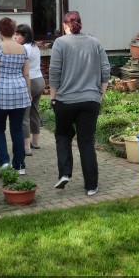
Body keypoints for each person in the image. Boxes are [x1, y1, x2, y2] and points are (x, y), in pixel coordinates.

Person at [49, 11, 110, 196]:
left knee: (63, 136)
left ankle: (64, 173)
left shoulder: (60, 43)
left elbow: (54, 72)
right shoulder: (95, 42)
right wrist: (100, 94)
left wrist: (53, 97)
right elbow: (105, 69)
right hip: (91, 100)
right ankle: (91, 186)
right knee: (86, 142)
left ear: (65, 25)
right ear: (80, 24)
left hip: (65, 101)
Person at [0, 17, 31, 175]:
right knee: (17, 129)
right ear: (13, 32)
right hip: (20, 92)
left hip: (1, 93)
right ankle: (19, 166)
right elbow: (26, 74)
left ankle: (4, 163)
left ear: (0, 32)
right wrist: (29, 93)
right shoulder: (23, 49)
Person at [14, 24, 45, 155]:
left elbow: (19, 67)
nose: (15, 37)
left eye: (18, 35)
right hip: (40, 81)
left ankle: (26, 148)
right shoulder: (34, 46)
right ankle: (35, 142)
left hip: (30, 82)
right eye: (15, 34)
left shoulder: (23, 49)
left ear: (25, 36)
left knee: (24, 115)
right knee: (34, 112)